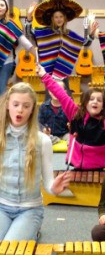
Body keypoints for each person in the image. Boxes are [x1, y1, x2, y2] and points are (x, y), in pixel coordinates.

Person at [0, 81, 70, 241]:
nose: (20, 110)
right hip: (1, 207)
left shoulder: (43, 141)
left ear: (32, 110)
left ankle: (32, 229)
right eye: (16, 104)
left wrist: (54, 188)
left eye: (26, 106)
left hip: (29, 209)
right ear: (7, 106)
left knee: (10, 253)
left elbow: (48, 184)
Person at [25, 0, 84, 99]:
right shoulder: (44, 32)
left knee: (67, 98)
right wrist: (29, 17)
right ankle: (47, 115)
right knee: (50, 98)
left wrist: (91, 34)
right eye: (56, 17)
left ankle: (67, 115)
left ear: (65, 18)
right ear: (52, 18)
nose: (59, 19)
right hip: (49, 73)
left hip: (63, 71)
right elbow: (29, 32)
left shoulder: (69, 34)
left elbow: (84, 42)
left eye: (61, 16)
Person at [0, 0, 36, 95]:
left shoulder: (10, 24)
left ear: (6, 8)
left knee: (1, 91)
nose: (0, 7)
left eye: (2, 5)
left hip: (6, 62)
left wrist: (37, 57)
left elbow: (25, 42)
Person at [38, 79, 70, 145]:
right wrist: (44, 129)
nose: (56, 92)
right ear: (49, 91)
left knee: (72, 139)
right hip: (50, 135)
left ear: (65, 92)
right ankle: (55, 140)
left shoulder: (68, 106)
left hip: (65, 134)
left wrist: (71, 126)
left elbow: (74, 124)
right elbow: (39, 123)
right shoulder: (44, 107)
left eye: (59, 90)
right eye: (53, 89)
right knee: (42, 138)